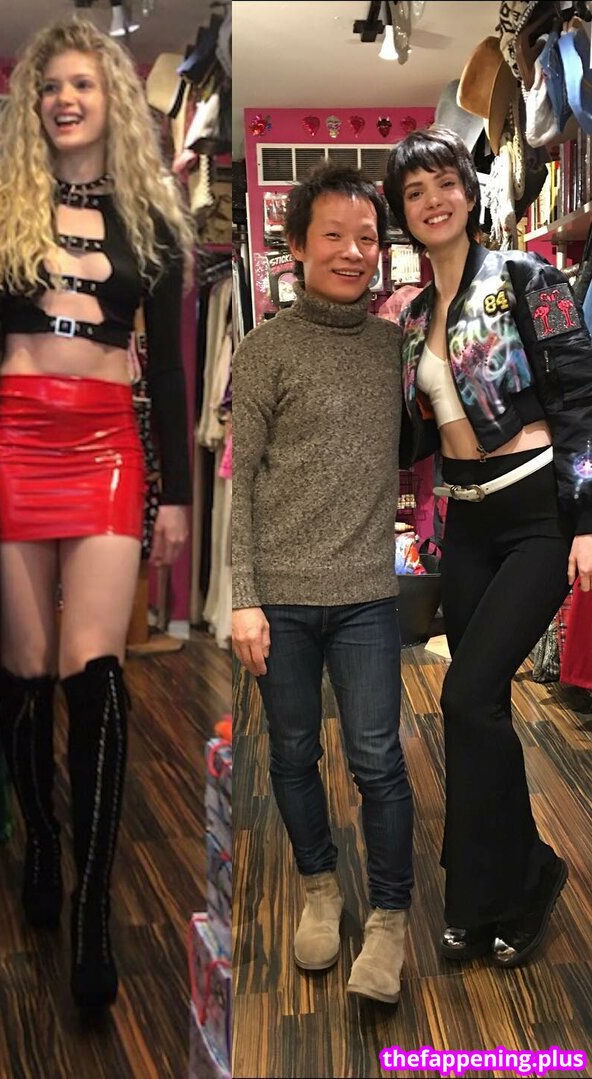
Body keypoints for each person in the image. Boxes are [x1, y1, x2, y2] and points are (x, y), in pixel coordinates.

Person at [0, 15, 194, 1012]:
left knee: (97, 670)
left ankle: (93, 903)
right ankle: (40, 839)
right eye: (51, 86)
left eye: (83, 83)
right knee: (25, 666)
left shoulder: (154, 219)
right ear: (32, 103)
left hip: (108, 446)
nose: (65, 99)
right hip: (12, 441)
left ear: (110, 98)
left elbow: (168, 374)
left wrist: (176, 495)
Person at [384, 126, 592, 968]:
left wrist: (588, 520)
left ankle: (527, 875)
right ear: (402, 212)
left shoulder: (527, 277)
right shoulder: (409, 316)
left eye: (445, 183)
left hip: (538, 513)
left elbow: (580, 398)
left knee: (467, 694)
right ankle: (487, 891)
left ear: (470, 193)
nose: (432, 200)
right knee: (478, 709)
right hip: (465, 521)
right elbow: (411, 434)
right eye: (414, 192)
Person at [227, 163, 413, 1004]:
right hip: (282, 598)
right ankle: (320, 887)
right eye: (333, 235)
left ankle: (391, 918)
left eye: (366, 237)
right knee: (293, 751)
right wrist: (243, 595)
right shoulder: (264, 349)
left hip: (369, 592)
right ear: (296, 246)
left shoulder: (393, 346)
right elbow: (242, 480)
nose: (352, 251)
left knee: (379, 758)